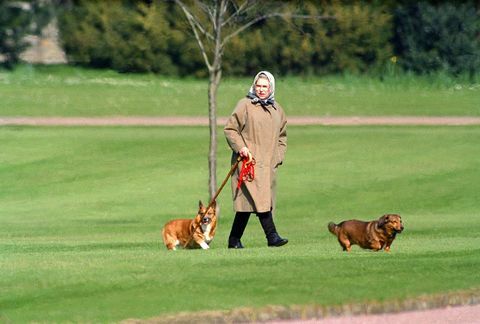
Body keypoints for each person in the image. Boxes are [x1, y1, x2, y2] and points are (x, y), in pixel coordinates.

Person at [224, 71, 288, 248]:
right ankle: (272, 237)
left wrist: (278, 157)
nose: (261, 89)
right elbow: (230, 129)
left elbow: (283, 136)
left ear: (271, 88)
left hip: (268, 166)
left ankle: (234, 240)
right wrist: (241, 148)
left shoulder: (277, 110)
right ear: (254, 86)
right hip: (247, 164)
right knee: (261, 201)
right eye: (258, 86)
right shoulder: (244, 105)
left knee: (248, 204)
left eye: (264, 86)